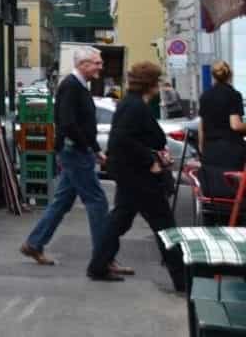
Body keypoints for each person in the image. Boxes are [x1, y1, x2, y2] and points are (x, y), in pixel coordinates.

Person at [87, 62, 186, 291]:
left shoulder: (129, 104)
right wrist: (150, 160)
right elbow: (123, 139)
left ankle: (99, 264)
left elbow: (130, 138)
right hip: (139, 175)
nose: (160, 85)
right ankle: (182, 279)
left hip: (129, 173)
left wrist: (156, 155)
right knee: (164, 225)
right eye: (158, 81)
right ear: (150, 84)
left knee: (120, 219)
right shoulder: (135, 107)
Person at [21, 46, 112, 270]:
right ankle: (104, 258)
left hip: (75, 150)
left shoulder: (77, 85)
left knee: (62, 201)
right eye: (97, 62)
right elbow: (69, 123)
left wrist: (93, 147)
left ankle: (34, 243)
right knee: (97, 201)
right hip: (75, 152)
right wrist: (89, 147)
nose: (101, 66)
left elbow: (76, 123)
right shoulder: (71, 86)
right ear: (83, 65)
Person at [197, 60, 246, 199]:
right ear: (230, 75)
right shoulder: (233, 95)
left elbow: (202, 125)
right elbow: (235, 125)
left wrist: (202, 147)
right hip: (231, 149)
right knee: (232, 187)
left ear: (213, 76)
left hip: (210, 148)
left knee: (214, 186)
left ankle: (213, 216)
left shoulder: (205, 96)